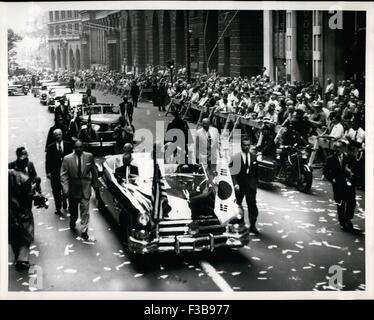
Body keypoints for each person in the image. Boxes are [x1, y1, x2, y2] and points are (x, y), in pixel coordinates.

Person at [9, 147, 42, 270]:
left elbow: (34, 177)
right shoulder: (18, 174)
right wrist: (36, 194)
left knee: (16, 231)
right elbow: (28, 193)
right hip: (20, 207)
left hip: (13, 208)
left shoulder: (9, 173)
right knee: (26, 232)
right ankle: (22, 258)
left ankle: (19, 256)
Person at [60, 140, 98, 241]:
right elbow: (63, 175)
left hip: (85, 189)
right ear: (74, 148)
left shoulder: (89, 156)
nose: (79, 149)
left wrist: (95, 185)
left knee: (85, 211)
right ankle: (72, 221)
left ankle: (84, 231)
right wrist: (65, 189)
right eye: (77, 147)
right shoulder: (67, 159)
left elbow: (94, 171)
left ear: (83, 147)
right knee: (74, 212)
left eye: (80, 147)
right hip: (73, 189)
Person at [323, 141, 357, 232]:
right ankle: (342, 222)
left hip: (348, 184)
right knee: (340, 204)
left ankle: (348, 218)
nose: (338, 149)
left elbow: (356, 170)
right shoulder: (331, 159)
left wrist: (351, 174)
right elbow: (325, 171)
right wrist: (332, 179)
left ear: (344, 148)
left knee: (351, 202)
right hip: (338, 184)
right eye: (336, 148)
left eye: (340, 147)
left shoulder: (350, 158)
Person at [230, 136, 259, 235]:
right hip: (240, 186)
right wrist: (235, 184)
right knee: (237, 205)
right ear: (241, 146)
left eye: (248, 145)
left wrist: (255, 184)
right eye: (245, 145)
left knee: (252, 205)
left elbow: (256, 173)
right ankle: (239, 224)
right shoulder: (236, 157)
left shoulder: (254, 157)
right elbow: (233, 173)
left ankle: (253, 225)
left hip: (250, 186)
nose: (247, 147)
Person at [45, 129, 72, 215]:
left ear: (62, 135)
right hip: (55, 172)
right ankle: (58, 207)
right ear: (54, 136)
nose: (58, 136)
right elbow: (48, 160)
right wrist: (48, 172)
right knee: (56, 190)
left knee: (66, 189)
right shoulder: (50, 147)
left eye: (60, 134)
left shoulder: (68, 145)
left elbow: (71, 158)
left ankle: (65, 201)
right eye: (56, 135)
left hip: (66, 172)